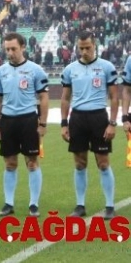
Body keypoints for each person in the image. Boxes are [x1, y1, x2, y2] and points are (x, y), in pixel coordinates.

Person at [0, 32, 48, 217]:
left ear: (23, 47)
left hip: (28, 120)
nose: (10, 52)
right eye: (7, 49)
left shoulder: (35, 70)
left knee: (32, 162)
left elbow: (43, 97)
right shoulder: (1, 72)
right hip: (8, 121)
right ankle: (9, 203)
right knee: (10, 163)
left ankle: (33, 204)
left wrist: (42, 123)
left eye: (13, 49)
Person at [62, 31, 118, 219]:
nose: (84, 51)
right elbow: (65, 98)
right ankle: (80, 205)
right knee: (79, 163)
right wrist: (64, 123)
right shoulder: (70, 69)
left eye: (88, 47)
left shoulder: (106, 67)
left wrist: (112, 123)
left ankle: (110, 205)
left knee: (102, 163)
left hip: (98, 118)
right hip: (77, 118)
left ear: (95, 45)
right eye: (81, 48)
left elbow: (114, 97)